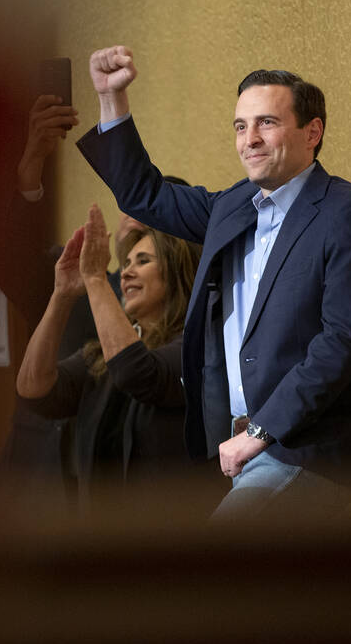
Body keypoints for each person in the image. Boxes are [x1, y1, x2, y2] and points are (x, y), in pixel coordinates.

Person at [76, 45, 351, 522]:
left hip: (307, 447)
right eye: (240, 126)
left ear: (314, 132)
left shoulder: (348, 214)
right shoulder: (233, 207)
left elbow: (342, 343)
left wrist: (261, 431)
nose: (250, 139)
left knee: (213, 575)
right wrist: (111, 101)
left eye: (267, 123)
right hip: (241, 447)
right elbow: (145, 194)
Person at [15, 203, 214, 514]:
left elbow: (137, 372)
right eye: (127, 262)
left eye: (143, 261)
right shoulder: (99, 355)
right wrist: (62, 296)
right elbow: (33, 389)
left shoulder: (197, 346)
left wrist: (95, 279)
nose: (127, 272)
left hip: (173, 536)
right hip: (104, 538)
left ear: (176, 273)